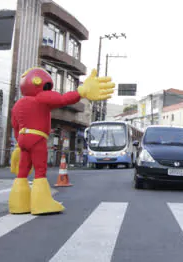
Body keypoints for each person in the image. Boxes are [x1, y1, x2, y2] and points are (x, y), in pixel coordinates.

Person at [8, 68, 115, 215]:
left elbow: (15, 127)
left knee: (22, 172)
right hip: (37, 138)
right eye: (47, 86)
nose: (47, 89)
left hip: (23, 139)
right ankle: (41, 204)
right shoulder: (41, 98)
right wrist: (80, 92)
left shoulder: (18, 105)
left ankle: (18, 204)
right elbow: (63, 99)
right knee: (40, 170)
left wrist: (19, 145)